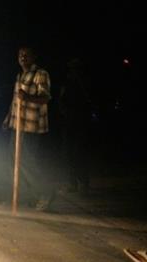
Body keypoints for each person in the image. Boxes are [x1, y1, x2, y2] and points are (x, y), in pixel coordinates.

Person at [3, 46, 54, 211]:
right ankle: (28, 195)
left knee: (27, 162)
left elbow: (45, 98)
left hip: (31, 126)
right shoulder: (20, 76)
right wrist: (7, 119)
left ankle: (45, 193)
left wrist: (28, 97)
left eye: (26, 55)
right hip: (17, 125)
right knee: (14, 161)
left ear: (33, 57)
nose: (22, 58)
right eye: (20, 55)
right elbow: (15, 102)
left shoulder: (41, 74)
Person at [59, 57, 92, 196]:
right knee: (68, 152)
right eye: (72, 67)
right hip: (69, 121)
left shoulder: (85, 81)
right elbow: (61, 99)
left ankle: (83, 183)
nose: (74, 69)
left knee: (80, 152)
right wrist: (64, 111)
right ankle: (72, 183)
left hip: (82, 120)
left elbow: (89, 99)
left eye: (76, 67)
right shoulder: (67, 82)